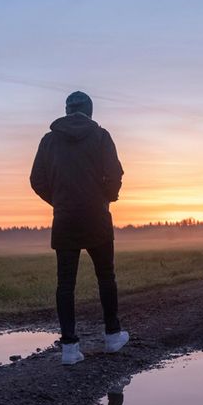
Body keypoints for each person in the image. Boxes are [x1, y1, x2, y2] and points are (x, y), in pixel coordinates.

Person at [30, 91, 130, 365]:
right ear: (90, 111)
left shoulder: (49, 140)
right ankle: (112, 336)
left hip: (65, 218)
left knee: (65, 284)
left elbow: (36, 179)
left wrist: (59, 201)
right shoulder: (101, 136)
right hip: (97, 215)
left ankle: (69, 349)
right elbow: (116, 173)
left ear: (66, 110)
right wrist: (106, 198)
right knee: (106, 277)